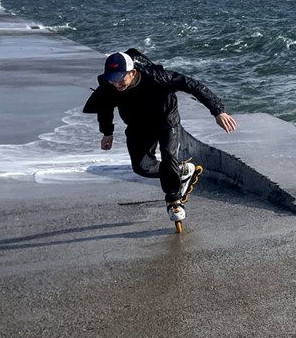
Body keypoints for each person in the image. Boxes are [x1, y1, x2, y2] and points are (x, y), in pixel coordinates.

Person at [83, 48, 237, 222]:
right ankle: (181, 171)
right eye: (112, 78)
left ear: (132, 72)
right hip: (138, 125)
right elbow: (104, 108)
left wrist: (218, 111)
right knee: (141, 167)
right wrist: (107, 133)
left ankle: (174, 202)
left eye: (120, 78)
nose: (116, 84)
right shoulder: (110, 87)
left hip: (165, 120)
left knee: (169, 154)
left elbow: (191, 84)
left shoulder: (157, 78)